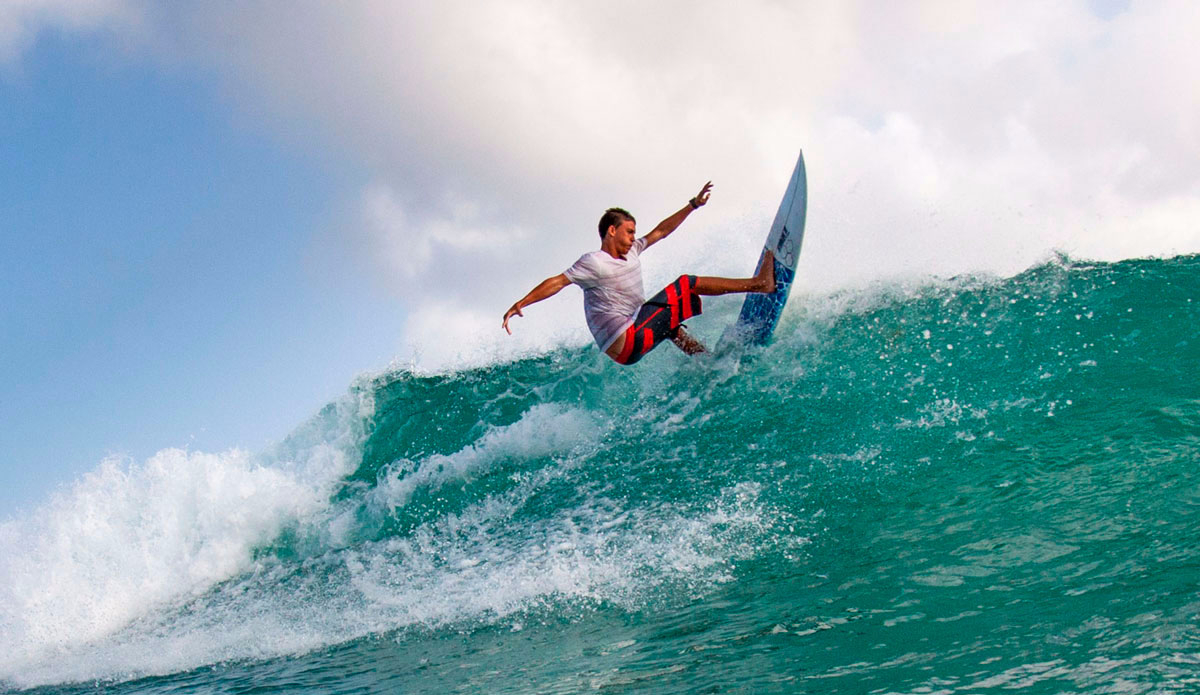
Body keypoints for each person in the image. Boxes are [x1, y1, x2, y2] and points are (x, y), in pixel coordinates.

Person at [502, 182, 776, 365]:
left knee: (668, 323)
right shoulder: (594, 262)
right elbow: (557, 282)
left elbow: (661, 230)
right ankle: (760, 283)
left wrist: (692, 205)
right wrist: (521, 303)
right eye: (629, 231)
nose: (634, 237)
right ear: (612, 230)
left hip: (629, 341)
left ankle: (708, 362)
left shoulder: (632, 251)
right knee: (685, 284)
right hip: (626, 340)